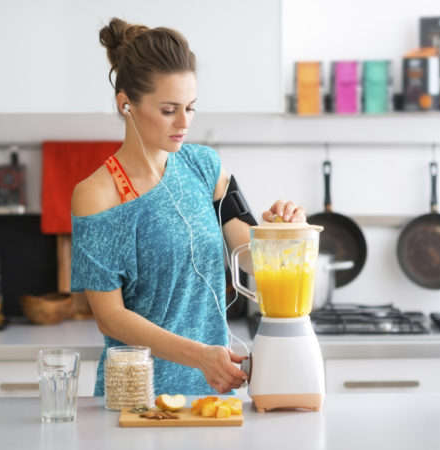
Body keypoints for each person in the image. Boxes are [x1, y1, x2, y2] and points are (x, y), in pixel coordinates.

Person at [71, 17, 306, 396]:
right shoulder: (97, 194)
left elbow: (251, 258)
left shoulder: (205, 167)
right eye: (169, 109)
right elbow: (110, 318)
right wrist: (199, 356)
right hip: (136, 401)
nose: (184, 122)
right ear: (126, 104)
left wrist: (283, 231)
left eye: (191, 107)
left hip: (212, 397)